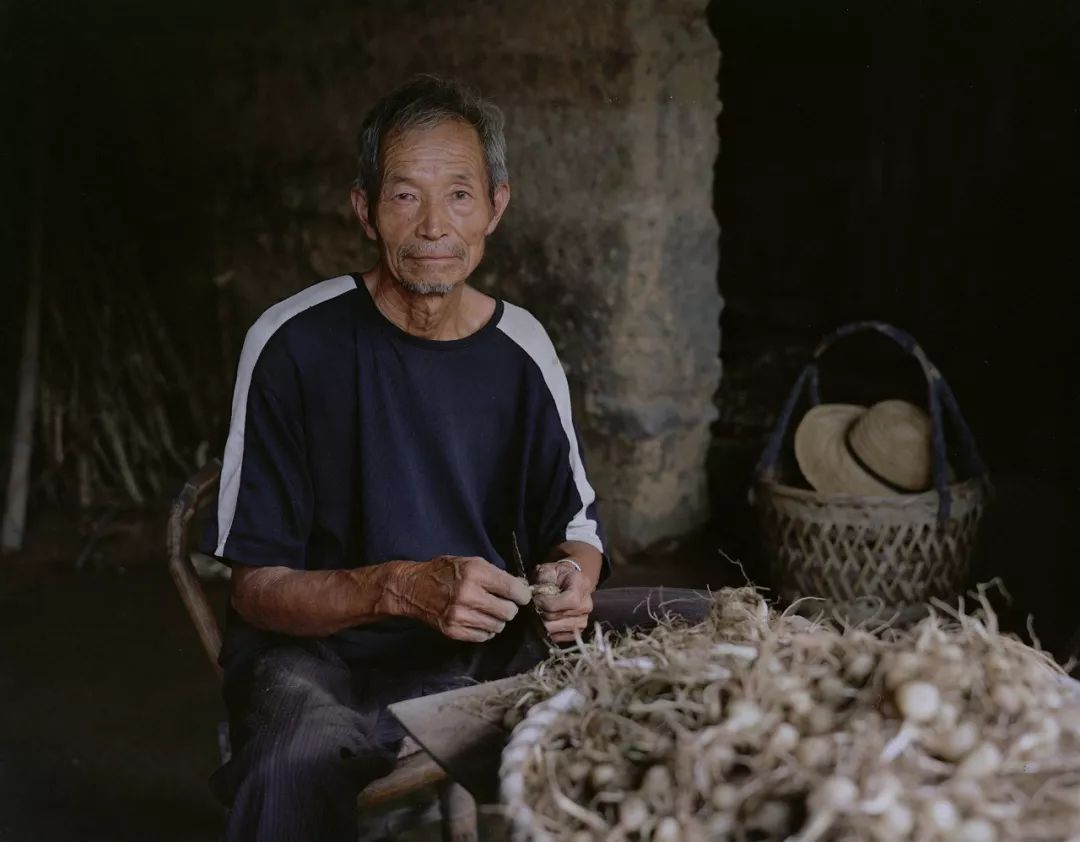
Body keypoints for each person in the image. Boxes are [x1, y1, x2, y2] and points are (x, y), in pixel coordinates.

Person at [205, 75, 708, 842]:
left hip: (480, 648)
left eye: (460, 196)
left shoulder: (521, 349)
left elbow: (575, 527)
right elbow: (256, 590)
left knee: (702, 633)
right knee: (293, 760)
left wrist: (572, 581)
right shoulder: (292, 343)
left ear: (496, 207)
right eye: (406, 196)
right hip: (320, 658)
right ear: (365, 209)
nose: (435, 225)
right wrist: (399, 587)